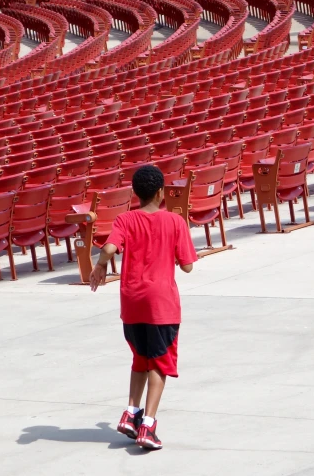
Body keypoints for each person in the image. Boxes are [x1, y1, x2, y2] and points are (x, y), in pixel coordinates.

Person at [90, 165, 197, 450]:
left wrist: (100, 267)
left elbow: (110, 248)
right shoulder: (175, 222)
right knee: (160, 363)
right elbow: (187, 266)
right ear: (161, 192)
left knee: (140, 358)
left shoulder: (124, 220)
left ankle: (131, 412)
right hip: (161, 304)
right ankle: (148, 425)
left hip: (132, 301)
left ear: (135, 193)